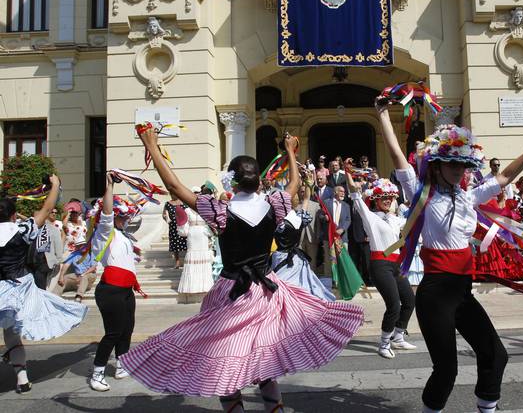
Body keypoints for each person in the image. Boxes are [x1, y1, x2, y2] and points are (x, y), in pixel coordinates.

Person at [120, 128, 363, 412]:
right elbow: (295, 183)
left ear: (232, 181)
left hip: (230, 292)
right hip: (266, 290)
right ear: (259, 180)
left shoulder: (220, 211)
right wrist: (291, 151)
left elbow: (174, 188)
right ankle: (275, 409)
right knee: (263, 356)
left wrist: (152, 145)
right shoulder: (275, 203)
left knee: (225, 357)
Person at [376, 95, 523, 413]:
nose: (460, 170)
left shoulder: (469, 196)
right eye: (453, 164)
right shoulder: (422, 195)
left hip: (462, 291)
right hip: (435, 294)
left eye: (464, 164)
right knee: (446, 371)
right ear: (439, 165)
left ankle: (487, 408)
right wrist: (383, 116)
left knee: (496, 355)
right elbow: (397, 158)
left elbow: (506, 176)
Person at [0, 175, 87, 393]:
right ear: (12, 215)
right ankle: (22, 379)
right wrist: (56, 185)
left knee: (10, 334)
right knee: (12, 335)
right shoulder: (22, 230)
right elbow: (46, 210)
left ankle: (18, 372)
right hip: (19, 287)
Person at [347, 167, 416, 359]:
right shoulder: (370, 217)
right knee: (393, 305)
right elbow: (355, 196)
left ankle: (398, 336)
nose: (387, 200)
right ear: (376, 199)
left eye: (390, 197)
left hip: (396, 265)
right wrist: (349, 176)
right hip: (380, 265)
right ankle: (384, 343)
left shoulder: (396, 219)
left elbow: (414, 220)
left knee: (410, 301)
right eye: (383, 197)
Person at [88, 177, 147, 391]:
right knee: (113, 332)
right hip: (111, 290)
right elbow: (106, 215)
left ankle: (122, 365)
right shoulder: (104, 233)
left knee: (127, 329)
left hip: (126, 289)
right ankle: (97, 373)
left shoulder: (122, 236)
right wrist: (110, 186)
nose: (125, 218)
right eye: (121, 215)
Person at [271, 179, 335, 301]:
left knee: (283, 289)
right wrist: (308, 183)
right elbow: (306, 199)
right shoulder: (297, 218)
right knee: (300, 288)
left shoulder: (275, 221)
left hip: (279, 257)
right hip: (295, 258)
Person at [176, 206, 214, 296]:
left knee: (203, 257)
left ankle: (205, 286)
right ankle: (191, 286)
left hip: (203, 235)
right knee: (192, 256)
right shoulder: (187, 210)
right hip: (192, 235)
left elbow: (210, 224)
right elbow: (184, 228)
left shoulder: (205, 209)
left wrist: (209, 234)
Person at [319, 186, 351, 278]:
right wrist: (324, 218)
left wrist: (342, 229)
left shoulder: (346, 205)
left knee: (343, 260)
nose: (343, 193)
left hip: (342, 237)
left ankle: (342, 280)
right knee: (329, 260)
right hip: (328, 237)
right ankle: (329, 280)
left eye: (344, 192)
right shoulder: (326, 203)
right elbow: (320, 215)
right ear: (335, 192)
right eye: (341, 191)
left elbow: (348, 220)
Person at [162, 194, 187, 268]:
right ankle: (177, 262)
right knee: (175, 244)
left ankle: (187, 260)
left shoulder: (184, 202)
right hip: (173, 226)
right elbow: (164, 214)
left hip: (183, 225)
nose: (173, 195)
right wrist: (165, 217)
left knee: (186, 242)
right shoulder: (168, 203)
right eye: (171, 193)